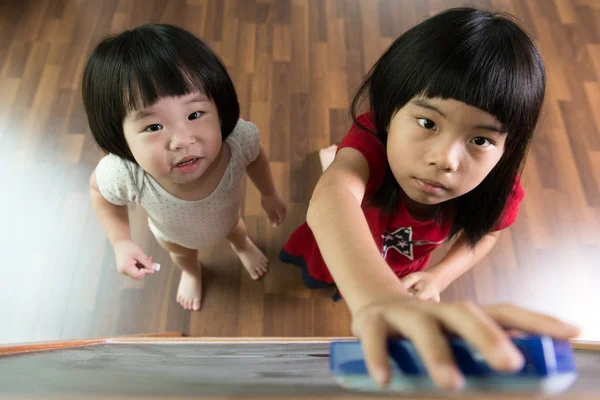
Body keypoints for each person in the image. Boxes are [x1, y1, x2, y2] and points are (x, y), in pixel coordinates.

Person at [280, 8, 580, 389]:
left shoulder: (497, 189)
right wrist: (376, 296)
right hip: (339, 246)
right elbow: (331, 199)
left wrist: (438, 276)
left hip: (404, 265)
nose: (445, 160)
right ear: (389, 115)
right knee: (326, 274)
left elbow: (487, 234)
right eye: (428, 123)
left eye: (481, 140)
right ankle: (335, 159)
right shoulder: (371, 141)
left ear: (508, 148)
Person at [83, 24, 286, 311]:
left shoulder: (238, 142)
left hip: (227, 218)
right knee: (183, 256)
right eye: (153, 126)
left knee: (236, 231)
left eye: (195, 114)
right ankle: (192, 272)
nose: (182, 141)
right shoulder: (126, 173)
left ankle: (242, 246)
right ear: (120, 136)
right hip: (174, 236)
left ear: (219, 107)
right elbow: (99, 193)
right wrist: (121, 243)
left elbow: (256, 158)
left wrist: (268, 193)